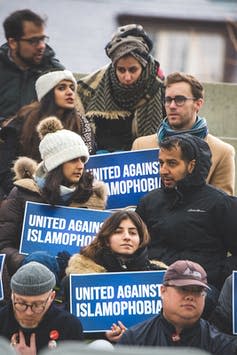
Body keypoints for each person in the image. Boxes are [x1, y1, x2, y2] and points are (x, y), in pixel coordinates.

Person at [0, 116, 107, 281]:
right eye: (73, 159)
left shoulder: (95, 198)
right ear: (56, 163)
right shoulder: (22, 193)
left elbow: (104, 250)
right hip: (31, 283)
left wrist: (84, 265)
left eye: (83, 160)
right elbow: (3, 246)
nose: (80, 166)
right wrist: (27, 262)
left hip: (77, 285)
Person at [135, 134, 237, 292]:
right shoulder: (149, 202)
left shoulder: (220, 203)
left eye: (172, 163)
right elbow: (136, 248)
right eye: (161, 163)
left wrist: (216, 276)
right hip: (152, 289)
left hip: (201, 291)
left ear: (191, 165)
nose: (163, 170)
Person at [65, 210, 167, 342]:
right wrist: (103, 335)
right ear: (107, 239)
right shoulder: (80, 279)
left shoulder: (160, 275)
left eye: (132, 232)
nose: (127, 237)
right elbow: (71, 327)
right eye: (118, 232)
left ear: (141, 239)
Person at [132, 72, 235, 195]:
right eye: (168, 100)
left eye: (180, 100)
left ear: (198, 104)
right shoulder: (142, 145)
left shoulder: (222, 152)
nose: (172, 106)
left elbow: (222, 207)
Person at [0, 69, 95, 200]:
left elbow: (88, 164)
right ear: (48, 94)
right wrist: (20, 194)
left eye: (72, 88)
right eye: (62, 88)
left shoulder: (82, 125)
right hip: (26, 192)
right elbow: (4, 167)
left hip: (68, 196)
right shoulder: (22, 122)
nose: (70, 92)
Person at [77, 24, 165, 153]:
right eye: (121, 70)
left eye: (133, 70)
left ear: (144, 65)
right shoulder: (91, 87)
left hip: (141, 162)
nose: (127, 77)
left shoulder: (159, 86)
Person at [118, 260, 237, 354]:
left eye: (197, 291)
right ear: (163, 291)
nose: (190, 296)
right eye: (183, 289)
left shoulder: (223, 345)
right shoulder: (134, 340)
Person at [0, 261, 83, 354]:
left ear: (52, 297)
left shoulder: (68, 325)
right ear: (12, 295)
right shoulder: (2, 321)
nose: (29, 312)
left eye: (37, 305)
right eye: (21, 303)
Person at [0, 9, 64, 121]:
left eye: (42, 39)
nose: (41, 46)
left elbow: (67, 114)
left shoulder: (54, 72)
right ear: (13, 43)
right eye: (33, 41)